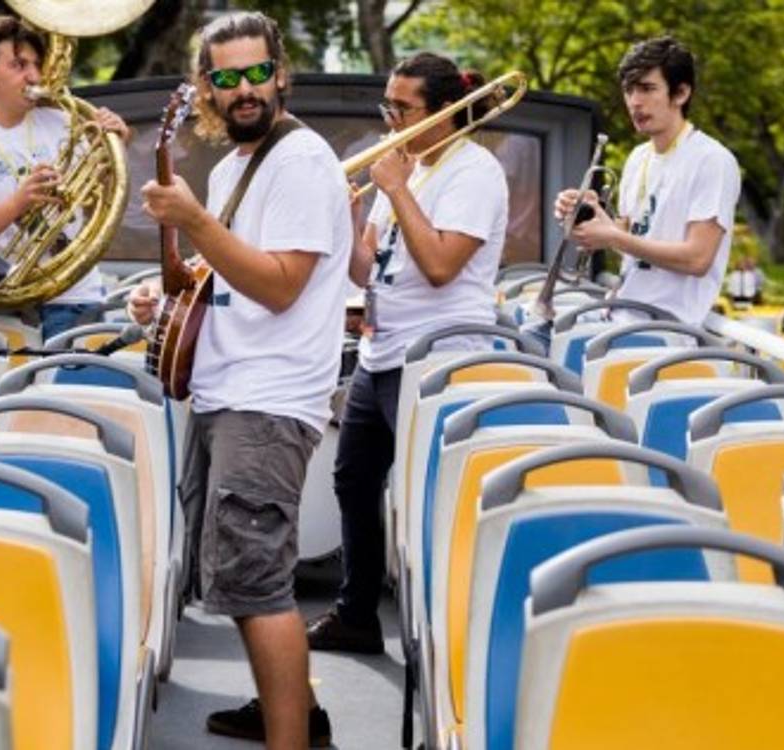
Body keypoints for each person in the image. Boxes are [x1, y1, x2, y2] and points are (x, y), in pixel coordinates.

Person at [127, 11, 351, 748]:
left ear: (281, 74)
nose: (246, 88)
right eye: (226, 78)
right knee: (245, 584)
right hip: (230, 394)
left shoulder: (302, 162)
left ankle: (292, 737)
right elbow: (223, 276)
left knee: (259, 590)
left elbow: (282, 285)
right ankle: (281, 710)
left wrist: (192, 223)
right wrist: (166, 294)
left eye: (258, 72)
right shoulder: (232, 168)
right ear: (206, 88)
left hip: (268, 400)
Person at [306, 54, 509, 655]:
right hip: (384, 351)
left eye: (402, 109)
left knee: (429, 496)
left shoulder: (475, 171)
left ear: (443, 111)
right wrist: (347, 214)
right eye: (386, 106)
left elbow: (443, 266)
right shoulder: (407, 167)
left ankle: (447, 633)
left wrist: (397, 189)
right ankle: (357, 613)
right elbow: (367, 268)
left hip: (440, 355)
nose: (389, 121)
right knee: (353, 479)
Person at [0, 16, 130, 342]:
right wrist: (17, 204)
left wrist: (115, 147)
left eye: (35, 64)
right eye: (18, 65)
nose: (33, 75)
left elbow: (100, 198)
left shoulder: (64, 121)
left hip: (77, 299)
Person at [555, 36, 741, 326]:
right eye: (629, 89)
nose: (634, 101)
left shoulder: (712, 160)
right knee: (529, 321)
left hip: (666, 330)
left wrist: (613, 236)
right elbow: (630, 242)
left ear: (680, 93)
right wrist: (593, 217)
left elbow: (697, 259)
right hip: (620, 313)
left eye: (646, 88)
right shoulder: (638, 157)